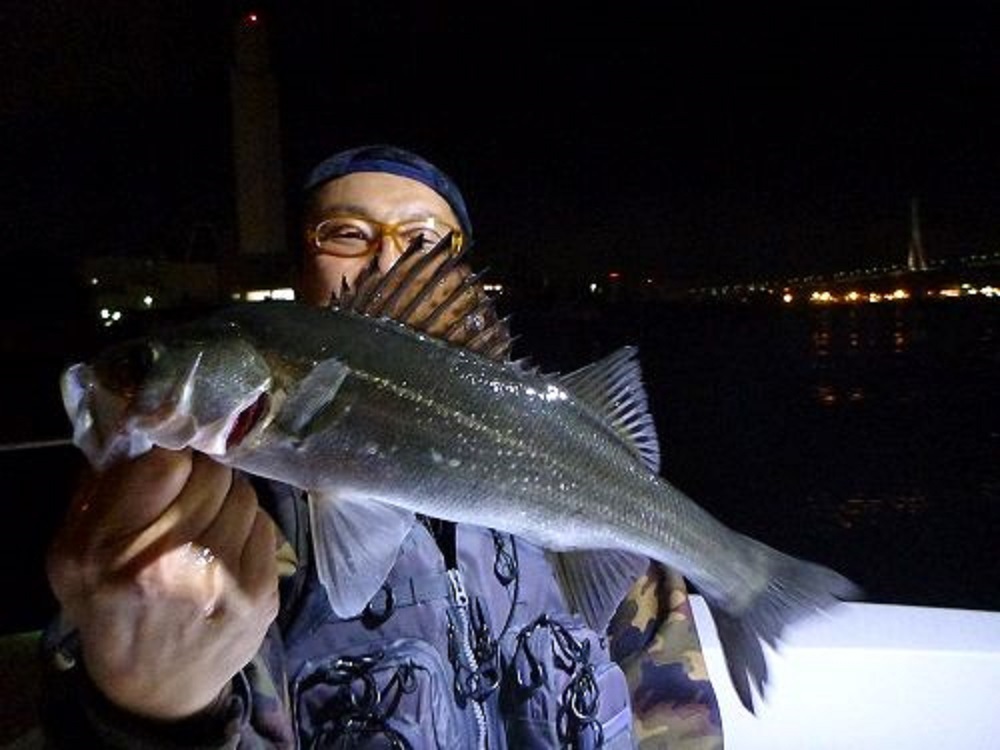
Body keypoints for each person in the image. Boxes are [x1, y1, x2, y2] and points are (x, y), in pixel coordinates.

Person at [41, 144, 723, 748]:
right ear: (299, 271)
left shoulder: (588, 486)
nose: (388, 254)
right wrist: (151, 714)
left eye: (425, 237)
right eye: (346, 233)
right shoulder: (217, 530)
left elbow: (673, 712)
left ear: (461, 277)